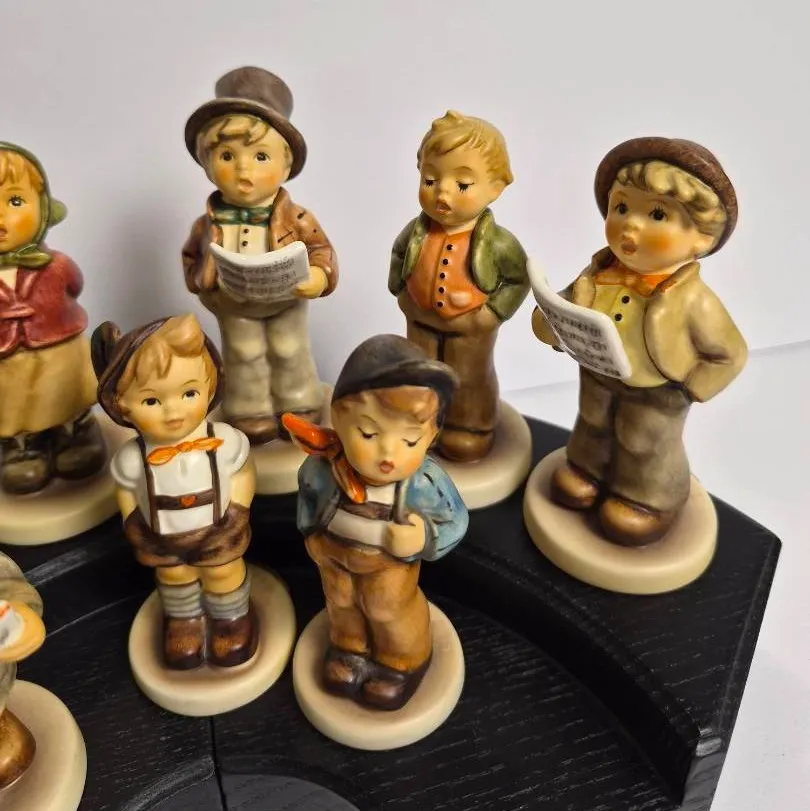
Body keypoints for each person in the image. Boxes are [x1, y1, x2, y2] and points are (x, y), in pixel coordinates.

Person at [532, 137, 747, 546]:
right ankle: (586, 471)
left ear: (701, 237)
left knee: (644, 443)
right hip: (598, 372)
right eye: (621, 208)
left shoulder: (694, 301)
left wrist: (688, 387)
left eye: (658, 214)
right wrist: (552, 324)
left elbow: (730, 355)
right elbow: (556, 311)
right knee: (592, 422)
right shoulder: (596, 275)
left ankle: (647, 499)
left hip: (657, 390)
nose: (630, 225)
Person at [285, 334, 468, 710]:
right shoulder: (322, 469)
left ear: (431, 436)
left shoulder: (423, 483)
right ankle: (349, 651)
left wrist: (422, 537)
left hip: (388, 565)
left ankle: (399, 663)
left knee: (387, 609)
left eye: (410, 441)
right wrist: (312, 534)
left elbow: (455, 520)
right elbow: (308, 497)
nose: (388, 453)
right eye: (368, 433)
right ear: (339, 419)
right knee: (341, 602)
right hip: (334, 555)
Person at [182, 67, 338, 446]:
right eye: (227, 155)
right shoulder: (208, 224)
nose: (244, 170)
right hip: (234, 305)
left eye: (261, 156)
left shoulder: (297, 218)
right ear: (207, 164)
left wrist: (317, 278)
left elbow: (322, 251)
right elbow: (190, 259)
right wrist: (204, 285)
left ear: (286, 165)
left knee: (290, 348)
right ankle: (250, 407)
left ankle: (299, 401)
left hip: (286, 300)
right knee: (243, 352)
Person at [93, 314, 258, 669]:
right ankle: (184, 622)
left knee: (223, 573)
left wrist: (238, 510)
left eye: (189, 393)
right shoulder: (133, 458)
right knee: (174, 577)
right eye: (152, 402)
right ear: (122, 406)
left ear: (210, 387)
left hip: (217, 528)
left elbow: (244, 473)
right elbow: (126, 492)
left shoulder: (224, 441)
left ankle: (231, 619)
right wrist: (133, 523)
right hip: (161, 535)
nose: (173, 411)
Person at [389, 111, 528, 462]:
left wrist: (492, 313)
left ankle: (469, 426)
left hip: (470, 327)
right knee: (419, 374)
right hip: (420, 320)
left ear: (496, 187)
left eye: (463, 185)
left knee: (468, 378)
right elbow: (398, 254)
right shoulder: (417, 232)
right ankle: (422, 424)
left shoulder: (498, 243)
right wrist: (401, 291)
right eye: (430, 179)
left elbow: (519, 278)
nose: (443, 192)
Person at [0, 143, 105, 494]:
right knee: (13, 402)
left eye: (15, 201)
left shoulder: (56, 265)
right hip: (6, 361)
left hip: (58, 347)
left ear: (43, 208)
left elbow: (74, 285)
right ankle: (22, 447)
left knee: (66, 390)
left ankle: (75, 432)